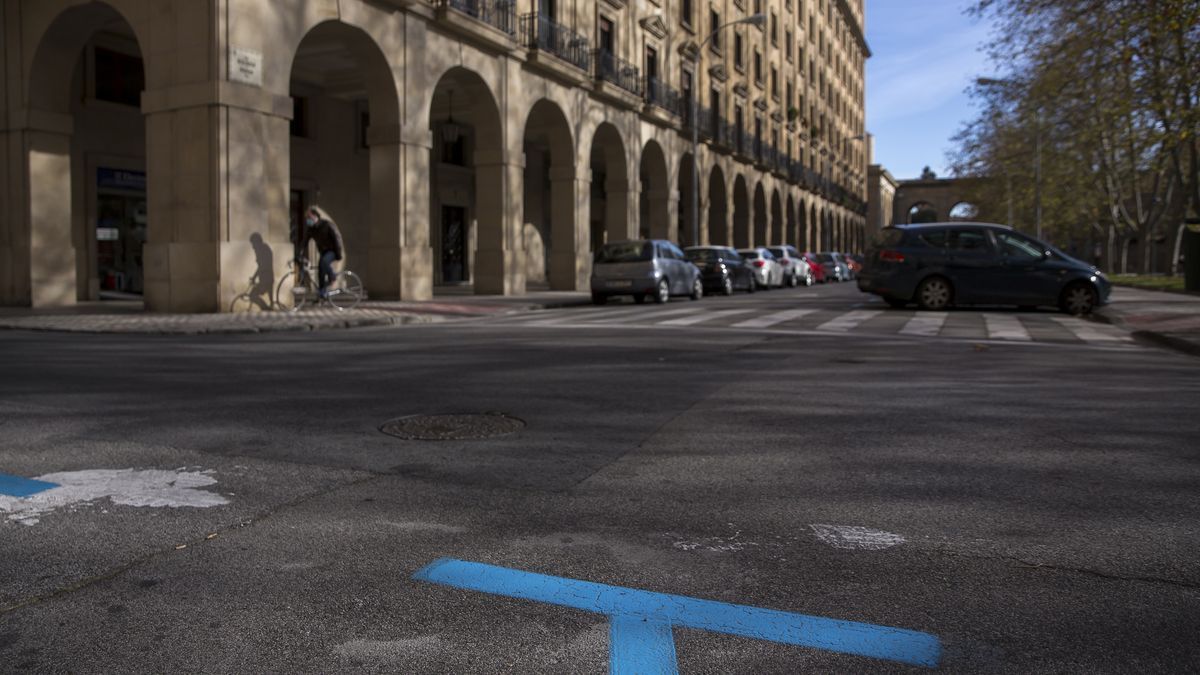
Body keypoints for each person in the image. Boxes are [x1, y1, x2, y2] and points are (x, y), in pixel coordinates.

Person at [302, 206, 344, 298]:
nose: (308, 220)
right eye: (307, 219)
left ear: (314, 216)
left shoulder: (326, 224)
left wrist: (338, 254)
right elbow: (305, 241)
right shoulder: (311, 229)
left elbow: (337, 238)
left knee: (323, 262)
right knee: (321, 270)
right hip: (323, 251)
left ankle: (332, 277)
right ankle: (322, 293)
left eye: (309, 218)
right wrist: (300, 253)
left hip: (333, 250)